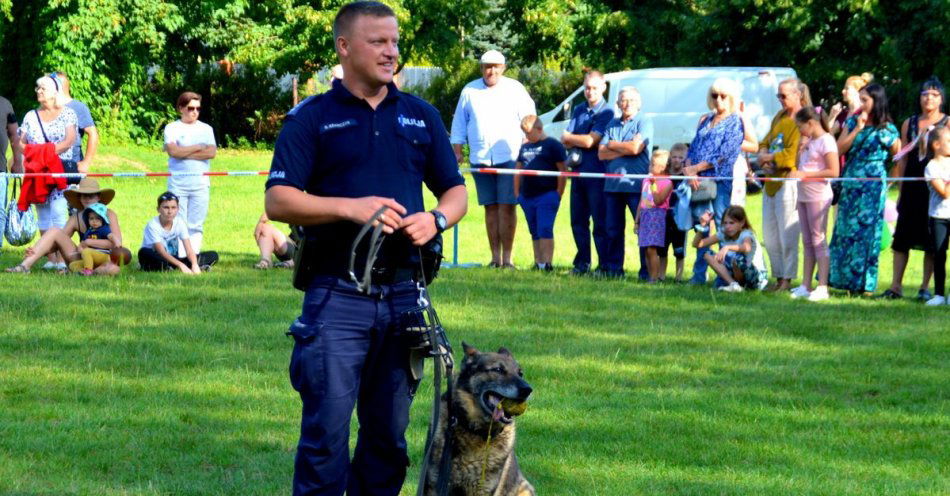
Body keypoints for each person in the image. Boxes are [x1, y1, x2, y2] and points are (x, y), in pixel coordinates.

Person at [263, 3, 468, 495]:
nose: (391, 51)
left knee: (387, 440)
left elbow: (455, 192)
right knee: (325, 439)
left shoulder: (421, 116)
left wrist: (436, 219)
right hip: (337, 295)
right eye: (378, 41)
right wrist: (350, 208)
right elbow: (278, 200)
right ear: (344, 47)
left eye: (394, 42)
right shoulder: (311, 117)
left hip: (404, 296)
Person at [450, 49, 535, 268]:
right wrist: (457, 151)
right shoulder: (470, 90)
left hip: (509, 157)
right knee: (490, 206)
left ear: (503, 68)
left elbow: (530, 117)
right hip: (480, 158)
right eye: (488, 66)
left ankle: (508, 258)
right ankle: (494, 257)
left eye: (496, 66)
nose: (492, 71)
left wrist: (531, 141)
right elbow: (459, 123)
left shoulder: (515, 89)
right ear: (481, 68)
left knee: (507, 206)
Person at [879, 77, 947, 301]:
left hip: (935, 187)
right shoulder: (910, 122)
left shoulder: (947, 122)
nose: (929, 98)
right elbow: (903, 159)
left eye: (934, 94)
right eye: (925, 93)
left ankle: (925, 287)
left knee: (931, 239)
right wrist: (900, 188)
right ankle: (895, 286)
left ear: (941, 98)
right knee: (902, 237)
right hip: (911, 186)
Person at [829, 83, 901, 295]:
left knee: (867, 234)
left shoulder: (887, 129)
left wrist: (889, 182)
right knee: (846, 232)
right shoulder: (852, 121)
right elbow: (839, 149)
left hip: (872, 188)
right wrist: (858, 129)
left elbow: (898, 156)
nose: (860, 103)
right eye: (859, 99)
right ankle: (844, 282)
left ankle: (865, 284)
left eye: (865, 100)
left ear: (876, 101)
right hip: (851, 183)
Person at [683, 78, 745, 284]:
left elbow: (724, 155)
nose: (718, 100)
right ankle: (699, 274)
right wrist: (690, 170)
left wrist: (696, 168)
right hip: (699, 183)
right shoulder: (705, 120)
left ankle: (723, 276)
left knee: (722, 225)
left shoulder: (735, 121)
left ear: (731, 98)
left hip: (719, 181)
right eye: (715, 95)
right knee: (701, 227)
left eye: (723, 96)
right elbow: (693, 147)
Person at [18, 74, 78, 270]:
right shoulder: (30, 116)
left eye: (42, 88)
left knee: (59, 212)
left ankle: (62, 259)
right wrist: (35, 155)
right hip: (38, 173)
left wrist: (47, 154)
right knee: (43, 214)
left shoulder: (68, 113)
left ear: (54, 92)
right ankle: (51, 258)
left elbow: (69, 140)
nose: (39, 91)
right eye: (37, 88)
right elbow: (21, 143)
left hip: (59, 171)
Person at [5, 178, 123, 275]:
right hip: (82, 257)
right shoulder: (76, 217)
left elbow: (117, 245)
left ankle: (88, 272)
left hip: (103, 258)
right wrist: (37, 250)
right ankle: (24, 266)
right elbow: (57, 242)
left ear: (98, 197)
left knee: (114, 269)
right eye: (83, 195)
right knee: (54, 231)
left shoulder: (109, 214)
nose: (86, 199)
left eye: (91, 196)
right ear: (79, 198)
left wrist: (89, 242)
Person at [757, 78, 808, 292]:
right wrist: (762, 155)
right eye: (778, 95)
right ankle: (777, 276)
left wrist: (769, 158)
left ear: (798, 95)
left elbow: (792, 154)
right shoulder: (779, 116)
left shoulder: (803, 118)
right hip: (770, 181)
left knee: (788, 233)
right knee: (770, 234)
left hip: (788, 181)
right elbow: (765, 141)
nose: (780, 99)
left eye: (784, 95)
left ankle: (787, 278)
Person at [561, 70, 613, 274]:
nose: (590, 92)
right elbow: (566, 138)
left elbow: (591, 140)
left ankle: (604, 265)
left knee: (600, 223)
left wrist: (574, 138)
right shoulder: (579, 109)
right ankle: (582, 264)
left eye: (594, 88)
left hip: (597, 175)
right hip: (577, 174)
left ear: (603, 88)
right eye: (587, 88)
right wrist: (577, 138)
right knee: (578, 221)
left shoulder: (606, 113)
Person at [598, 86, 653, 278]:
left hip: (637, 186)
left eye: (630, 100)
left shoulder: (644, 121)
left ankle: (646, 272)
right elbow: (601, 152)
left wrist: (613, 144)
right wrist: (625, 146)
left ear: (638, 103)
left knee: (642, 229)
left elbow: (637, 148)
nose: (626, 104)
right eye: (623, 100)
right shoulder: (612, 123)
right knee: (612, 229)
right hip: (613, 186)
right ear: (618, 103)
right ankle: (614, 270)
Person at [788, 107, 840, 302]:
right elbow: (800, 164)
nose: (800, 131)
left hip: (818, 195)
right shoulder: (809, 141)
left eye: (800, 127)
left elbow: (834, 171)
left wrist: (806, 175)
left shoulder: (826, 140)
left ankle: (823, 286)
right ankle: (805, 284)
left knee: (818, 238)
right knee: (807, 240)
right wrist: (801, 149)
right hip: (803, 194)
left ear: (811, 123)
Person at [163, 91, 217, 254]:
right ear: (181, 108)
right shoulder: (172, 128)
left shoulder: (206, 129)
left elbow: (211, 153)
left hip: (200, 184)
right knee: (177, 221)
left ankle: (194, 254)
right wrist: (198, 147)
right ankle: (178, 255)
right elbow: (173, 152)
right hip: (178, 184)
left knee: (196, 224)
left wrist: (183, 151)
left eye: (198, 109)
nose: (195, 112)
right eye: (191, 108)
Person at [514, 115, 566, 271]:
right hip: (527, 196)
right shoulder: (525, 147)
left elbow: (562, 170)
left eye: (529, 132)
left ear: (539, 129)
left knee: (545, 228)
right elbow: (518, 169)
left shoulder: (553, 145)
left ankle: (547, 263)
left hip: (547, 195)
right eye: (524, 133)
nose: (527, 136)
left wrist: (558, 193)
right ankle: (538, 262)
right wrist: (517, 194)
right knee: (534, 230)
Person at [138, 191, 218, 273]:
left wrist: (194, 264)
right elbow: (161, 252)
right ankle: (171, 267)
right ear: (158, 209)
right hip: (157, 256)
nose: (170, 211)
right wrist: (181, 265)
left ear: (178, 209)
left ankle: (174, 267)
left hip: (173, 258)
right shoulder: (153, 225)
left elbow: (189, 250)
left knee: (213, 255)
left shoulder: (179, 222)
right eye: (166, 207)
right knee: (144, 252)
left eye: (173, 207)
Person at [692, 206, 768, 292]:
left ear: (742, 223)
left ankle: (737, 285)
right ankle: (734, 285)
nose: (728, 226)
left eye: (732, 223)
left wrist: (727, 247)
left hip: (757, 277)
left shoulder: (746, 234)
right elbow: (697, 244)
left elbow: (747, 247)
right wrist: (702, 226)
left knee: (737, 259)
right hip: (737, 273)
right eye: (725, 223)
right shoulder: (723, 233)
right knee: (707, 254)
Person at [637, 149, 673, 282]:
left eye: (653, 165)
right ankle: (650, 276)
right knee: (646, 249)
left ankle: (654, 277)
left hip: (656, 216)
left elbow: (658, 200)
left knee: (652, 249)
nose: (649, 167)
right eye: (650, 164)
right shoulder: (647, 180)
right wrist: (637, 220)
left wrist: (653, 185)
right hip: (645, 216)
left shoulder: (668, 182)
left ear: (663, 167)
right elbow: (642, 201)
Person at [924, 126, 950, 305]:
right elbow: (944, 192)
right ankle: (939, 294)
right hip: (939, 217)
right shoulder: (931, 167)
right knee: (939, 255)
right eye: (948, 141)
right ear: (936, 144)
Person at [53, 71, 99, 174]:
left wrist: (86, 163)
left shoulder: (78, 108)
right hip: (50, 167)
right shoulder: (47, 108)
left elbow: (93, 134)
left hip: (71, 167)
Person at [661, 143, 689, 281]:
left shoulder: (686, 175)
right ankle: (661, 275)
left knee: (679, 250)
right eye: (674, 157)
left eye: (680, 157)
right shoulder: (664, 173)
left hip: (680, 216)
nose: (677, 160)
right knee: (662, 248)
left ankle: (678, 277)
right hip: (664, 215)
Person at [67, 203, 116, 275]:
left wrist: (116, 241)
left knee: (87, 251)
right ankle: (85, 271)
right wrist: (80, 248)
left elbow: (111, 236)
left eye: (97, 219)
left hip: (103, 256)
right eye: (91, 218)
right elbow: (82, 243)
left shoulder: (103, 229)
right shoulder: (88, 231)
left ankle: (88, 270)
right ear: (88, 220)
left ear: (103, 219)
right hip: (91, 258)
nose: (94, 221)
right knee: (73, 265)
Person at [829, 73, 873, 137]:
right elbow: (827, 135)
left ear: (858, 91)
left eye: (847, 88)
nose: (843, 91)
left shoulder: (865, 113)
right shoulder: (844, 114)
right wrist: (832, 116)